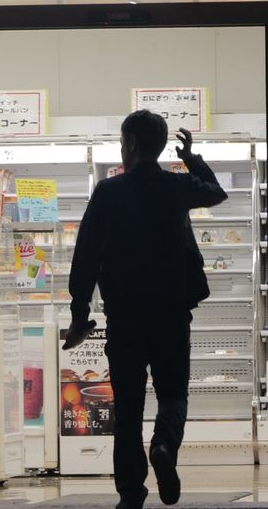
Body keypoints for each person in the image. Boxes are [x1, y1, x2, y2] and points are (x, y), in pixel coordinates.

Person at [63, 110, 227, 509]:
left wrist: (80, 313)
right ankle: (164, 446)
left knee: (129, 407)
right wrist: (191, 158)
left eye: (122, 139)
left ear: (132, 143)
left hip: (126, 318)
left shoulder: (108, 192)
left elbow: (85, 255)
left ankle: (131, 494)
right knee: (173, 394)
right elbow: (215, 191)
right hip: (171, 314)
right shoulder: (176, 186)